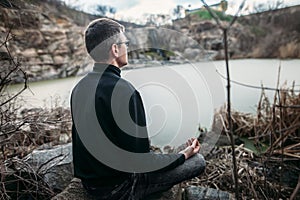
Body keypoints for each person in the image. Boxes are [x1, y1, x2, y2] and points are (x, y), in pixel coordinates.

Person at [70, 18, 206, 200]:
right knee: (198, 162)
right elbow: (141, 163)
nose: (127, 47)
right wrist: (183, 155)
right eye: (125, 43)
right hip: (119, 189)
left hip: (91, 185)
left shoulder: (79, 88)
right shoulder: (124, 90)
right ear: (115, 49)